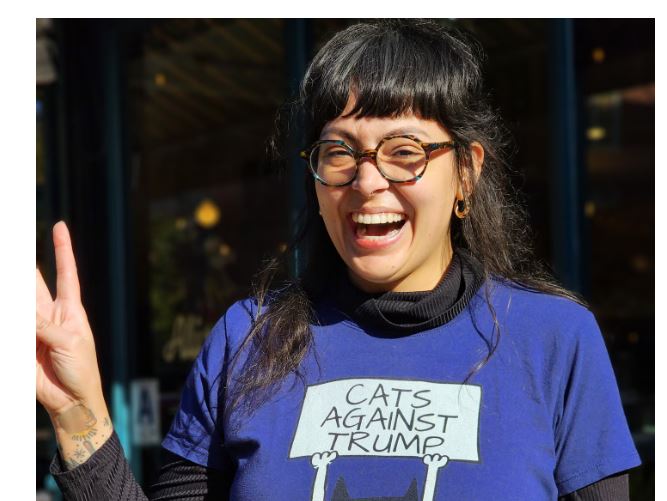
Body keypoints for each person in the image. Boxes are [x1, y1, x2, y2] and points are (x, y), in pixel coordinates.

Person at [36, 19, 640, 500]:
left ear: (466, 173)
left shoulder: (554, 341)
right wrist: (76, 412)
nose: (367, 181)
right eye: (340, 151)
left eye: (405, 151)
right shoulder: (246, 340)